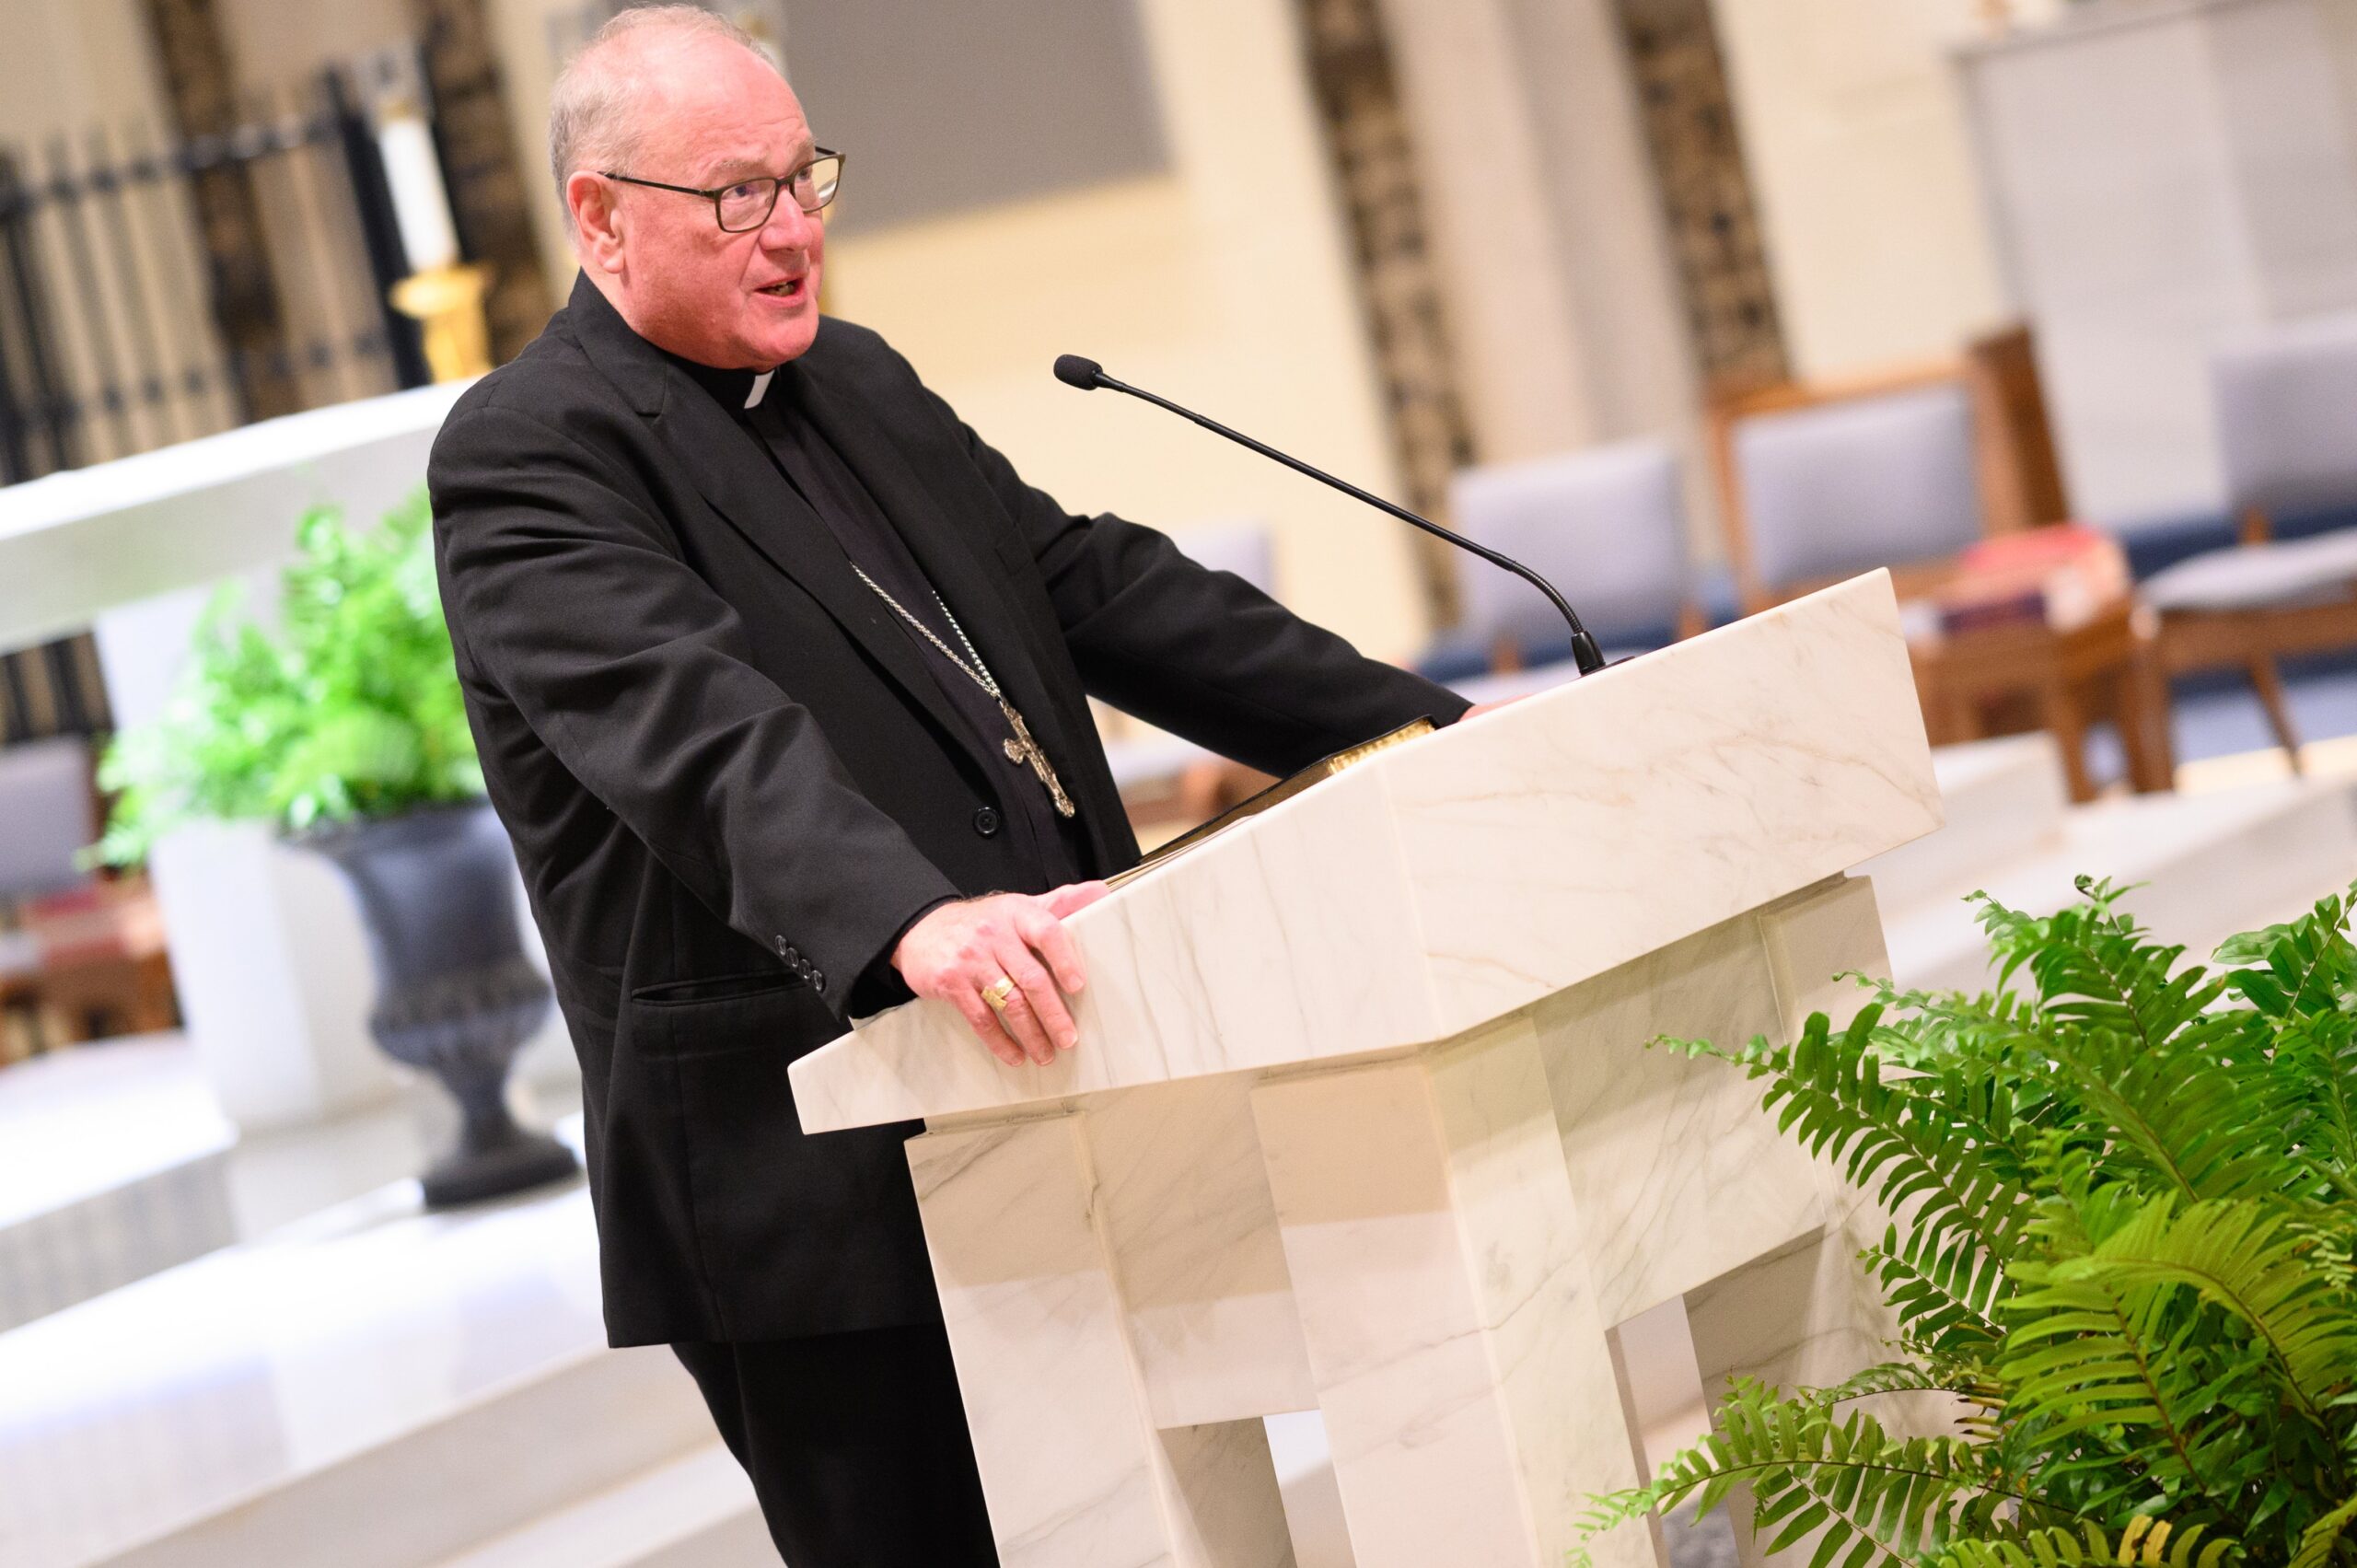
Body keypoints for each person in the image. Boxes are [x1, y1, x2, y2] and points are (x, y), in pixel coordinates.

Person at [427, 7, 1481, 1563]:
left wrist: (1435, 731)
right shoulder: (533, 451)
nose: (794, 231)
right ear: (601, 217)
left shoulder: (854, 381)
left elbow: (1092, 588)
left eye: (804, 178)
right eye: (737, 195)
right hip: (811, 1179)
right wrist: (906, 920)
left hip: (1056, 1084)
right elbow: (696, 729)